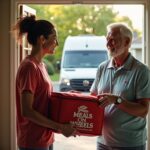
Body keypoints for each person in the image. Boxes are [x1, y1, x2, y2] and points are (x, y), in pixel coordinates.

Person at [13, 15, 76, 150]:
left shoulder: (41, 65)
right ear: (42, 39)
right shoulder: (29, 67)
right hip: (33, 141)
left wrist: (69, 97)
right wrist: (60, 127)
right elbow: (27, 111)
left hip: (45, 136)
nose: (57, 43)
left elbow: (44, 98)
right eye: (54, 38)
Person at [90, 22, 150, 150]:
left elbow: (143, 110)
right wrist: (73, 97)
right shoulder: (102, 67)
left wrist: (116, 100)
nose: (108, 44)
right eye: (107, 40)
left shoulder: (141, 71)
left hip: (130, 144)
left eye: (112, 40)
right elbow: (93, 100)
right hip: (102, 142)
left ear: (127, 42)